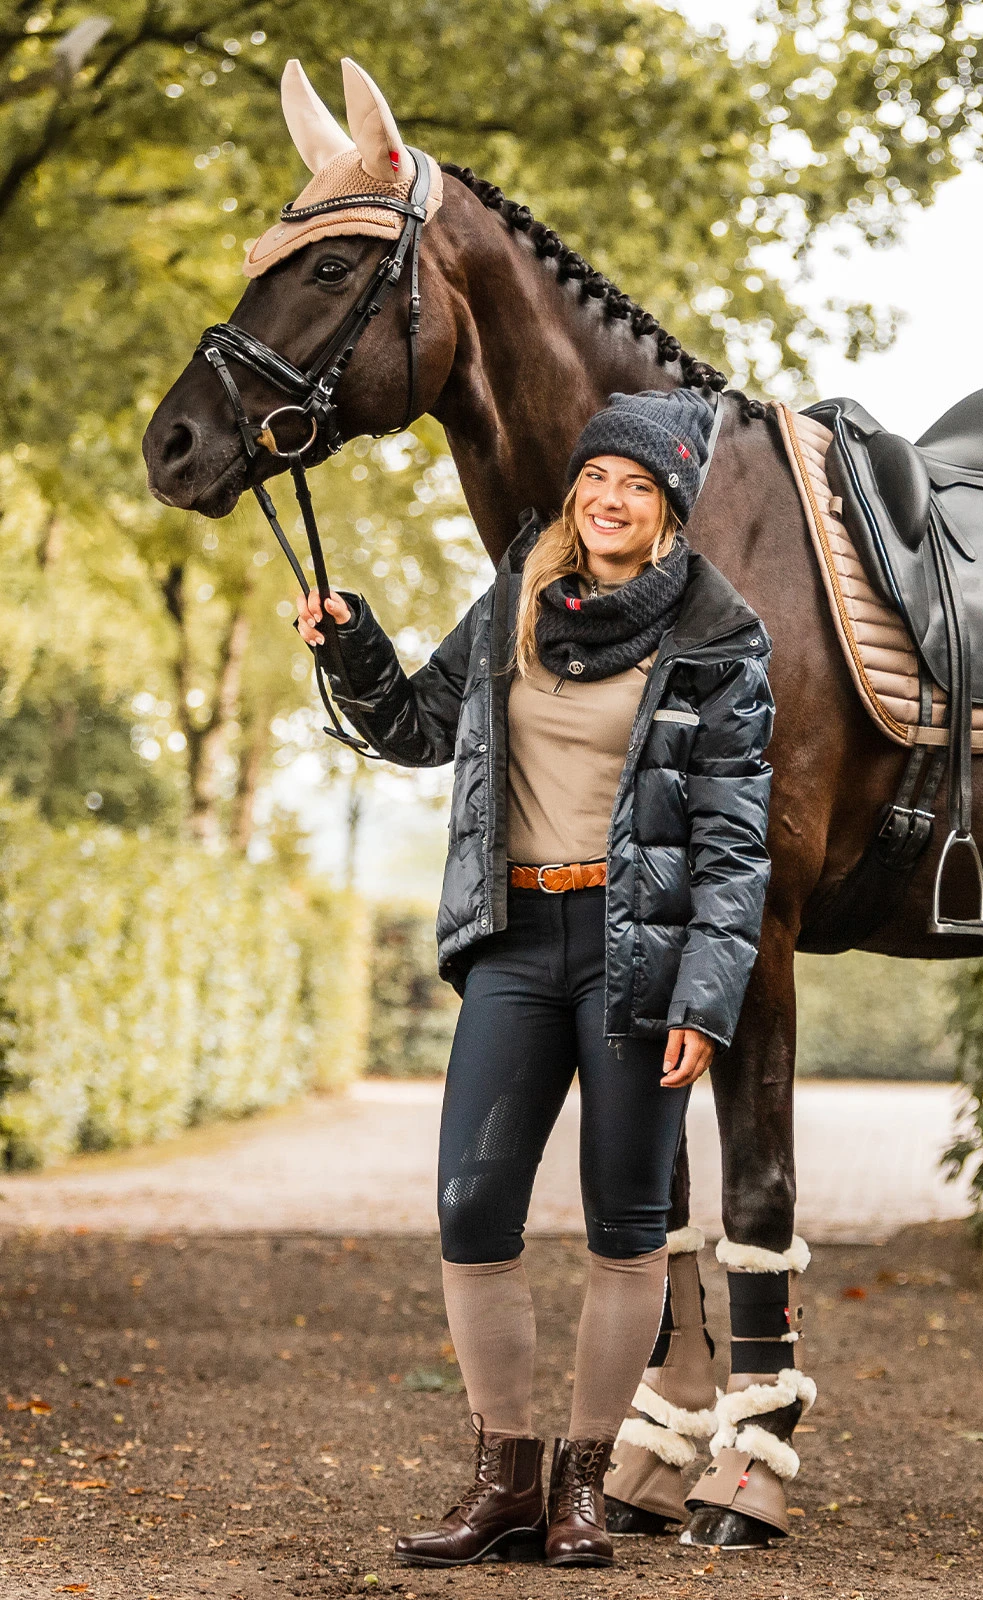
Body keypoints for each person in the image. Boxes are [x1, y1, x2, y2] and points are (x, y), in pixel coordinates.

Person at [295, 387, 774, 1569]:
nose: (611, 502)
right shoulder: (518, 599)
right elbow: (414, 726)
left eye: (639, 489)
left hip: (638, 956)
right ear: (576, 492)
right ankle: (502, 1481)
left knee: (625, 1226)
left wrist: (707, 998)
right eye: (597, 480)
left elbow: (732, 842)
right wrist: (354, 643)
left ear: (667, 512)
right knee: (471, 1209)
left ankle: (581, 1487)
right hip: (513, 940)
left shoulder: (716, 634)